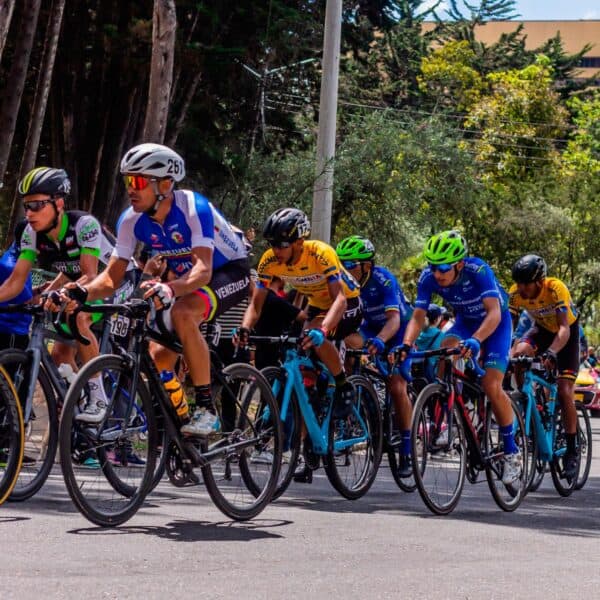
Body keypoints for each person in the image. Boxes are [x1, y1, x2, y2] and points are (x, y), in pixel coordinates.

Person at [55, 143, 250, 437]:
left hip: (227, 271)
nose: (130, 189)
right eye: (127, 181)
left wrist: (170, 288)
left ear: (166, 184)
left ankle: (207, 408)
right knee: (159, 354)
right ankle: (182, 424)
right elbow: (111, 278)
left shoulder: (193, 208)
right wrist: (81, 294)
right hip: (185, 278)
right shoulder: (131, 220)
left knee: (184, 313)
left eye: (138, 181)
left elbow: (203, 270)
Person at [0, 167, 137, 423]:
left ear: (59, 203)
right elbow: (16, 281)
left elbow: (89, 275)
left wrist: (60, 291)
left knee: (80, 315)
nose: (29, 213)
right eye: (26, 206)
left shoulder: (84, 225)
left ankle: (98, 398)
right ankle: (81, 393)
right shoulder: (31, 233)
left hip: (119, 279)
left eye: (38, 205)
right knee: (60, 355)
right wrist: (45, 292)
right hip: (83, 281)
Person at [237, 209, 362, 480]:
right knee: (300, 361)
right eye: (272, 244)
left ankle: (342, 385)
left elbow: (339, 299)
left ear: (299, 241)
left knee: (317, 335)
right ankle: (310, 419)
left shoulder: (320, 252)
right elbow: (256, 304)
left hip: (347, 304)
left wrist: (325, 329)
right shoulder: (269, 260)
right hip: (317, 305)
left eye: (282, 245)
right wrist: (245, 327)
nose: (276, 250)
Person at [399, 230, 522, 486]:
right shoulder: (428, 278)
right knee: (446, 347)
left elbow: (494, 314)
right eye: (432, 267)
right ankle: (451, 406)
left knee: (490, 384)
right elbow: (418, 316)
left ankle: (511, 451)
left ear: (459, 264)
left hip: (495, 323)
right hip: (465, 322)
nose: (437, 273)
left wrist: (477, 340)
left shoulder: (478, 271)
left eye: (443, 267)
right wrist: (407, 344)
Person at [335, 235, 414, 478]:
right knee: (342, 341)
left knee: (397, 386)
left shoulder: (383, 279)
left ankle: (407, 450)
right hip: (369, 327)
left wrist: (381, 341)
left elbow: (394, 320)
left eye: (351, 265)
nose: (345, 269)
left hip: (397, 329)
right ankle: (353, 394)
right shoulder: (344, 281)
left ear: (367, 266)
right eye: (341, 264)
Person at [509, 254, 580, 480]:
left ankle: (571, 448)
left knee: (564, 389)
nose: (521, 288)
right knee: (518, 355)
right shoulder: (515, 293)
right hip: (540, 330)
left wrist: (552, 352)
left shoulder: (555, 288)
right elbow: (508, 329)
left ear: (539, 281)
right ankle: (527, 399)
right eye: (518, 283)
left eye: (525, 284)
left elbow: (563, 329)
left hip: (565, 333)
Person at [0, 222, 33, 350]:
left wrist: (41, 289)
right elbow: (28, 300)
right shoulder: (13, 266)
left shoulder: (15, 255)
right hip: (11, 332)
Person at [414, 303, 444, 384]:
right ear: (436, 319)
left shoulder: (418, 332)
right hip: (431, 373)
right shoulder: (440, 335)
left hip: (416, 370)